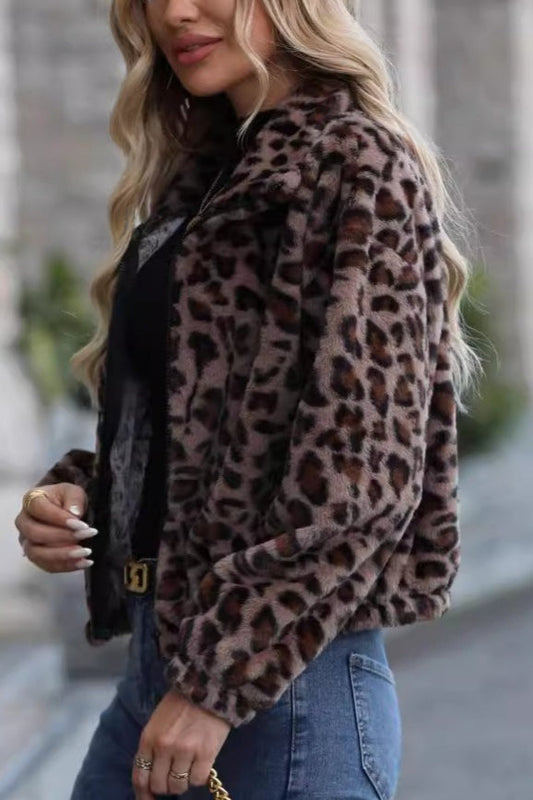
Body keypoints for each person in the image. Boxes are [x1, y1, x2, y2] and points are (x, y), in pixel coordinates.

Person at [14, 1, 481, 798]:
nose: (174, 12)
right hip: (162, 673)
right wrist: (86, 492)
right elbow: (205, 429)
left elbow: (360, 479)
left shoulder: (356, 164)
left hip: (283, 692)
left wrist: (216, 685)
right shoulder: (207, 171)